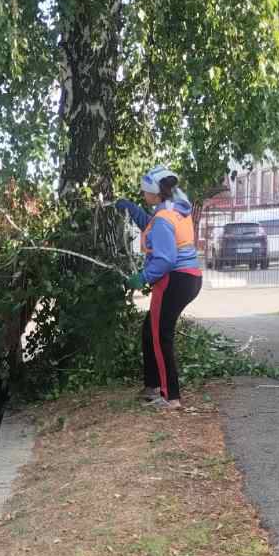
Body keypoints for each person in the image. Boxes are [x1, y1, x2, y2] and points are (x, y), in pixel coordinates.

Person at [115, 167, 203, 411]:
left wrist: (142, 278)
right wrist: (133, 210)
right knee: (150, 331)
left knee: (160, 336)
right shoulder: (174, 209)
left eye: (144, 192)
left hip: (173, 280)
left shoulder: (164, 218)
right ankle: (152, 386)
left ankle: (170, 397)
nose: (143, 195)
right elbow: (151, 227)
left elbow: (165, 259)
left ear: (155, 193)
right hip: (189, 278)